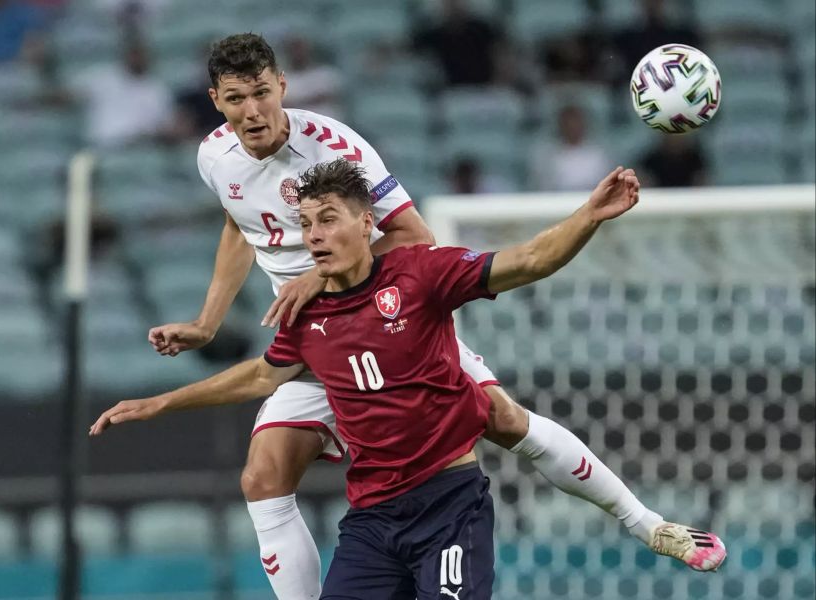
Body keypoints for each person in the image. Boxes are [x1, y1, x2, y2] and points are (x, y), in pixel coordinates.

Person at [144, 33, 722, 598]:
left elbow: (413, 236)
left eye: (262, 93)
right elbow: (238, 223)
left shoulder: (336, 147)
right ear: (216, 100)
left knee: (503, 420)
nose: (253, 111)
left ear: (283, 86)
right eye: (237, 99)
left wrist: (319, 276)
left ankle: (645, 522)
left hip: (381, 313)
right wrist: (208, 321)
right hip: (313, 344)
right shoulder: (214, 156)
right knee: (263, 477)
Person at [531, 105, 610, 191]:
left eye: (576, 123)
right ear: (561, 126)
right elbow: (544, 188)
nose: (572, 128)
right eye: (568, 124)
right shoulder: (549, 156)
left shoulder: (597, 155)